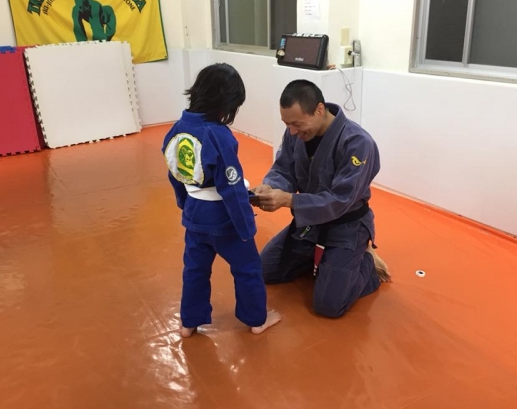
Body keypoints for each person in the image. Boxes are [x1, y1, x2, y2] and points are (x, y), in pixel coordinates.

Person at [251, 80, 391, 318]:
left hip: (346, 226)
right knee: (264, 270)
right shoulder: (295, 133)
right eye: (287, 125)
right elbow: (284, 169)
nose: (292, 131)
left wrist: (290, 200)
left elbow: (341, 199)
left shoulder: (357, 143)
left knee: (328, 306)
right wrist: (270, 187)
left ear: (318, 109)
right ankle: (328, 265)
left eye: (297, 124)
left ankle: (366, 262)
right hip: (310, 224)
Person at [162, 63, 281, 337]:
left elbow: (175, 173)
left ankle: (189, 322)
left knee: (195, 270)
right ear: (226, 102)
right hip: (224, 219)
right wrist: (246, 225)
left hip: (194, 215)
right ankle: (257, 319)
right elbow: (232, 187)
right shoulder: (218, 135)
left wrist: (184, 204)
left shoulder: (177, 130)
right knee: (247, 267)